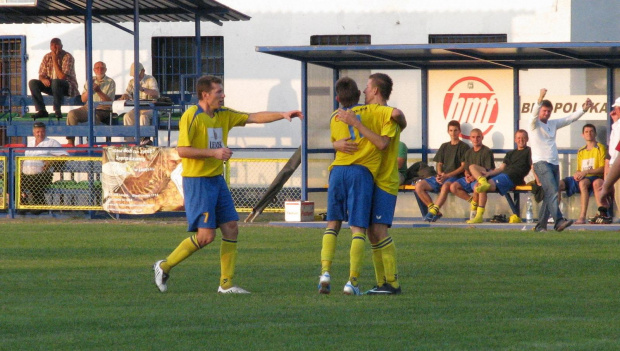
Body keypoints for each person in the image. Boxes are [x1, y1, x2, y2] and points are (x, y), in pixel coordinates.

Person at [153, 75, 303, 294]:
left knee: (232, 227)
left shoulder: (223, 114)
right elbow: (182, 150)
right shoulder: (191, 116)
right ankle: (163, 266)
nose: (223, 95)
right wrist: (213, 152)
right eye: (219, 92)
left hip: (216, 180)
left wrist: (282, 114)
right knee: (206, 237)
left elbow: (253, 117)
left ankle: (226, 285)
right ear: (205, 95)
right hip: (198, 182)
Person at [319, 75, 404, 296]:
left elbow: (387, 134)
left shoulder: (384, 114)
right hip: (367, 178)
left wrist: (356, 123)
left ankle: (392, 283)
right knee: (370, 231)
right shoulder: (367, 113)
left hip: (384, 180)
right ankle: (380, 282)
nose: (364, 91)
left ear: (375, 90)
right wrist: (336, 144)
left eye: (367, 87)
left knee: (378, 230)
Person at [529, 88, 593, 232]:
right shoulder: (534, 124)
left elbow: (569, 119)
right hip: (541, 163)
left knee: (550, 193)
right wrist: (540, 98)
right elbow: (533, 115)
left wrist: (584, 109)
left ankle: (540, 226)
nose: (546, 113)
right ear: (540, 110)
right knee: (553, 191)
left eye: (548, 111)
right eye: (544, 110)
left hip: (554, 163)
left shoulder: (552, 124)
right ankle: (558, 221)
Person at [468, 129, 532, 224]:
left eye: (523, 138)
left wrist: (538, 179)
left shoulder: (529, 151)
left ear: (527, 139)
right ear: (515, 140)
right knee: (473, 168)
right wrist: (489, 174)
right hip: (502, 175)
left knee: (481, 187)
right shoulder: (510, 153)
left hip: (512, 178)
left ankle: (478, 216)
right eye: (518, 138)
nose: (521, 140)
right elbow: (501, 168)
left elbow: (533, 166)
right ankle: (475, 213)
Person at [415, 120, 470, 222]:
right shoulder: (444, 146)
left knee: (445, 186)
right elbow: (439, 163)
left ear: (459, 131)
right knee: (419, 186)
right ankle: (434, 210)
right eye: (451, 130)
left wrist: (447, 175)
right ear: (448, 131)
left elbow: (463, 167)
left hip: (455, 177)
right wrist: (439, 174)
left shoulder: (464, 147)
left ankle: (432, 212)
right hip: (443, 176)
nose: (453, 133)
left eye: (455, 130)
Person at [558, 124, 607, 224]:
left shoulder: (600, 148)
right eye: (586, 132)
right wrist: (577, 174)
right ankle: (555, 215)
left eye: (591, 131)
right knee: (558, 184)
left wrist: (586, 172)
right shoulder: (581, 151)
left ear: (595, 133)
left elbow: (603, 168)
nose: (589, 133)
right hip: (583, 176)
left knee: (583, 183)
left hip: (594, 177)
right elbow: (579, 169)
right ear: (583, 135)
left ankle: (582, 216)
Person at [21, 122, 69, 212]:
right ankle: (23, 203)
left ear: (45, 132)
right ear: (33, 132)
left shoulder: (51, 143)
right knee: (10, 180)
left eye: (42, 131)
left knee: (32, 181)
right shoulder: (30, 143)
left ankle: (39, 206)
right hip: (26, 174)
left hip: (43, 174)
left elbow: (65, 156)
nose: (40, 134)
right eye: (37, 132)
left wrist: (51, 161)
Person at [448, 128, 495, 221]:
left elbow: (488, 170)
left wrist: (474, 177)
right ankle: (473, 202)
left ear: (482, 137)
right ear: (470, 138)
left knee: (478, 187)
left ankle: (476, 215)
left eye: (478, 137)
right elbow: (466, 169)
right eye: (473, 137)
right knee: (453, 187)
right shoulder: (469, 152)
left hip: (480, 178)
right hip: (469, 179)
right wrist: (467, 176)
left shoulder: (487, 151)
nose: (476, 139)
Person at [65, 61, 116, 146]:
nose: (99, 70)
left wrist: (98, 91)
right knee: (72, 114)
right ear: (94, 70)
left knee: (93, 116)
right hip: (88, 107)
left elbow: (109, 102)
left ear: (106, 70)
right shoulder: (90, 80)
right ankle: (70, 142)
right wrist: (90, 90)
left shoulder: (110, 82)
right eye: (97, 68)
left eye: (102, 68)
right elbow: (83, 99)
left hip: (103, 109)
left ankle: (90, 142)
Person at [28, 38, 79, 120]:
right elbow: (41, 74)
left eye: (57, 45)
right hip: (52, 86)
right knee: (32, 82)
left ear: (61, 46)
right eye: (52, 45)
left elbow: (62, 77)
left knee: (56, 82)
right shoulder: (47, 56)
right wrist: (43, 79)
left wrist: (55, 59)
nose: (54, 47)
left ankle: (57, 110)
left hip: (67, 87)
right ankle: (41, 110)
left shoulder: (68, 57)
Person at [119, 62, 159, 144]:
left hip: (151, 108)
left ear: (143, 71)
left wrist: (142, 89)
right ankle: (130, 142)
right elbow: (127, 92)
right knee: (127, 116)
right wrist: (125, 96)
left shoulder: (150, 79)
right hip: (138, 108)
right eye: (134, 75)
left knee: (143, 116)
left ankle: (144, 141)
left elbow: (156, 94)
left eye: (137, 75)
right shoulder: (131, 82)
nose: (135, 77)